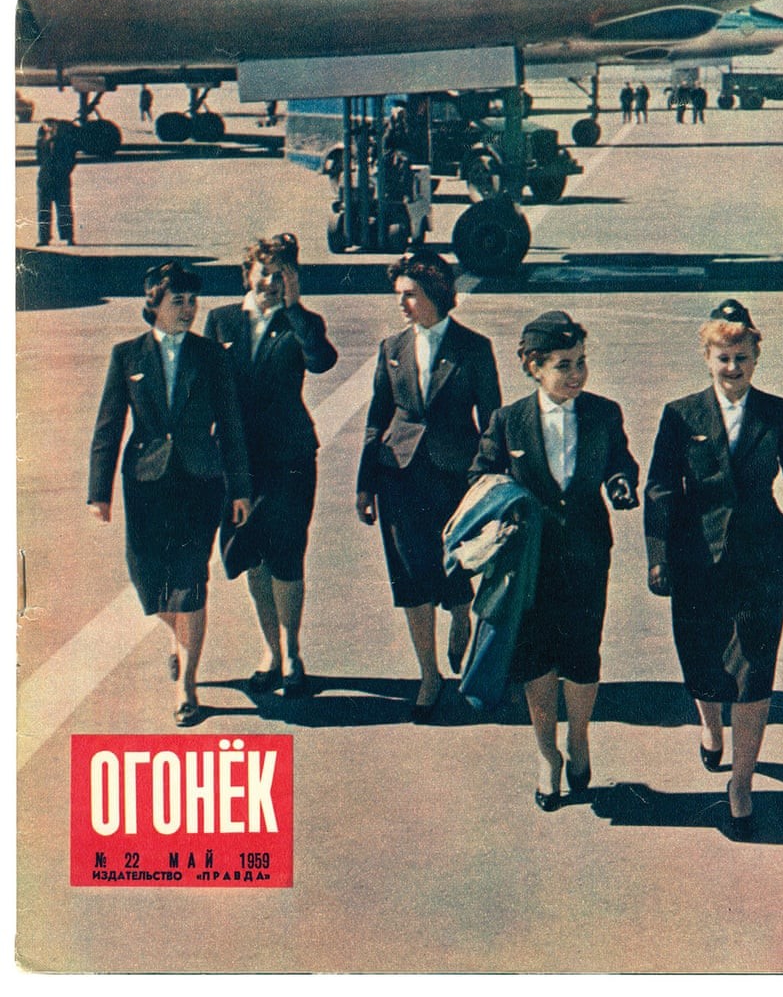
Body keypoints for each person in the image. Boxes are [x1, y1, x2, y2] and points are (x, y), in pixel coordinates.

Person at [644, 300, 783, 840]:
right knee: (703, 659)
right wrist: (659, 555)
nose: (732, 368)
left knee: (756, 667)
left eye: (741, 357)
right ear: (707, 358)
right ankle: (710, 728)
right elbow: (661, 488)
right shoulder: (680, 415)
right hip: (696, 559)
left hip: (761, 558)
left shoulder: (779, 414)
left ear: (756, 356)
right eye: (722, 358)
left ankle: (741, 782)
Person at [469, 311, 639, 810]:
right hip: (529, 563)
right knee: (535, 657)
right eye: (564, 365)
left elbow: (620, 462)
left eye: (581, 362)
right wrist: (501, 517)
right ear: (534, 367)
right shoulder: (509, 421)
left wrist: (620, 483)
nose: (576, 374)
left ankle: (579, 737)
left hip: (586, 554)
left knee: (583, 654)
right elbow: (482, 477)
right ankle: (547, 755)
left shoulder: (604, 414)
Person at [87, 261, 252, 726]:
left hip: (200, 480)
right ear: (154, 305)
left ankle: (187, 686)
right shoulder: (127, 356)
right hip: (145, 483)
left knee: (191, 580)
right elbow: (108, 426)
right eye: (177, 301)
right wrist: (98, 492)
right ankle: (176, 634)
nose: (188, 309)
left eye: (192, 300)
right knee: (148, 581)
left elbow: (232, 427)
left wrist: (240, 488)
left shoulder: (213, 355)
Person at [356, 250, 501, 720]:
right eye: (399, 295)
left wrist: (491, 483)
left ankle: (461, 616)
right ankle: (429, 673)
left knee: (456, 565)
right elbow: (377, 418)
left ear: (436, 294)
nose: (402, 305)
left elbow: (492, 419)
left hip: (455, 474)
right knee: (411, 574)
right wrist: (364, 484)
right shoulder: (392, 348)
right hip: (398, 477)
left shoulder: (473, 349)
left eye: (410, 295)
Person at [205, 233, 338, 699]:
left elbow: (322, 361)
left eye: (281, 274)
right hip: (238, 461)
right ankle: (270, 650)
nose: (270, 281)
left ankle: (293, 649)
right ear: (247, 274)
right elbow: (206, 389)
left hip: (290, 456)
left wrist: (297, 308)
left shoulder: (302, 322)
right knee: (251, 554)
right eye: (264, 271)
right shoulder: (220, 321)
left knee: (286, 552)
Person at [35, 118, 78, 246]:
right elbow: (40, 158)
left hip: (60, 180)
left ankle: (68, 237)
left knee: (64, 210)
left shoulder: (65, 142)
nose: (49, 129)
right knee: (43, 211)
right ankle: (44, 238)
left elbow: (71, 160)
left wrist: (63, 172)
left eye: (50, 127)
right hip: (45, 181)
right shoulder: (41, 141)